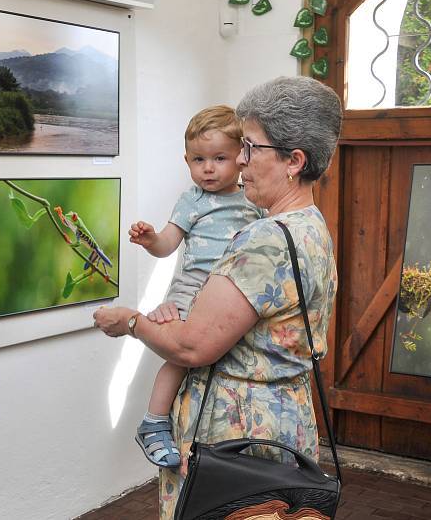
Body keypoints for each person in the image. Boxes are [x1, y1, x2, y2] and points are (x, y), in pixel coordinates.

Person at [93, 75, 342, 519]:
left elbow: (193, 345)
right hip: (285, 420)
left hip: (237, 432)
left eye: (250, 148)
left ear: (294, 161)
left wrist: (131, 322)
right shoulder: (311, 226)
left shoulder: (266, 239)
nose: (240, 162)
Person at [129, 105, 262, 469]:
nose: (208, 168)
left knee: (226, 351)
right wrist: (152, 238)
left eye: (219, 158)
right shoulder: (193, 200)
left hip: (234, 288)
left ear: (241, 158)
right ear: (186, 160)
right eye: (198, 159)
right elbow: (168, 245)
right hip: (192, 287)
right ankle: (153, 423)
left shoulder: (254, 200)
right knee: (181, 354)